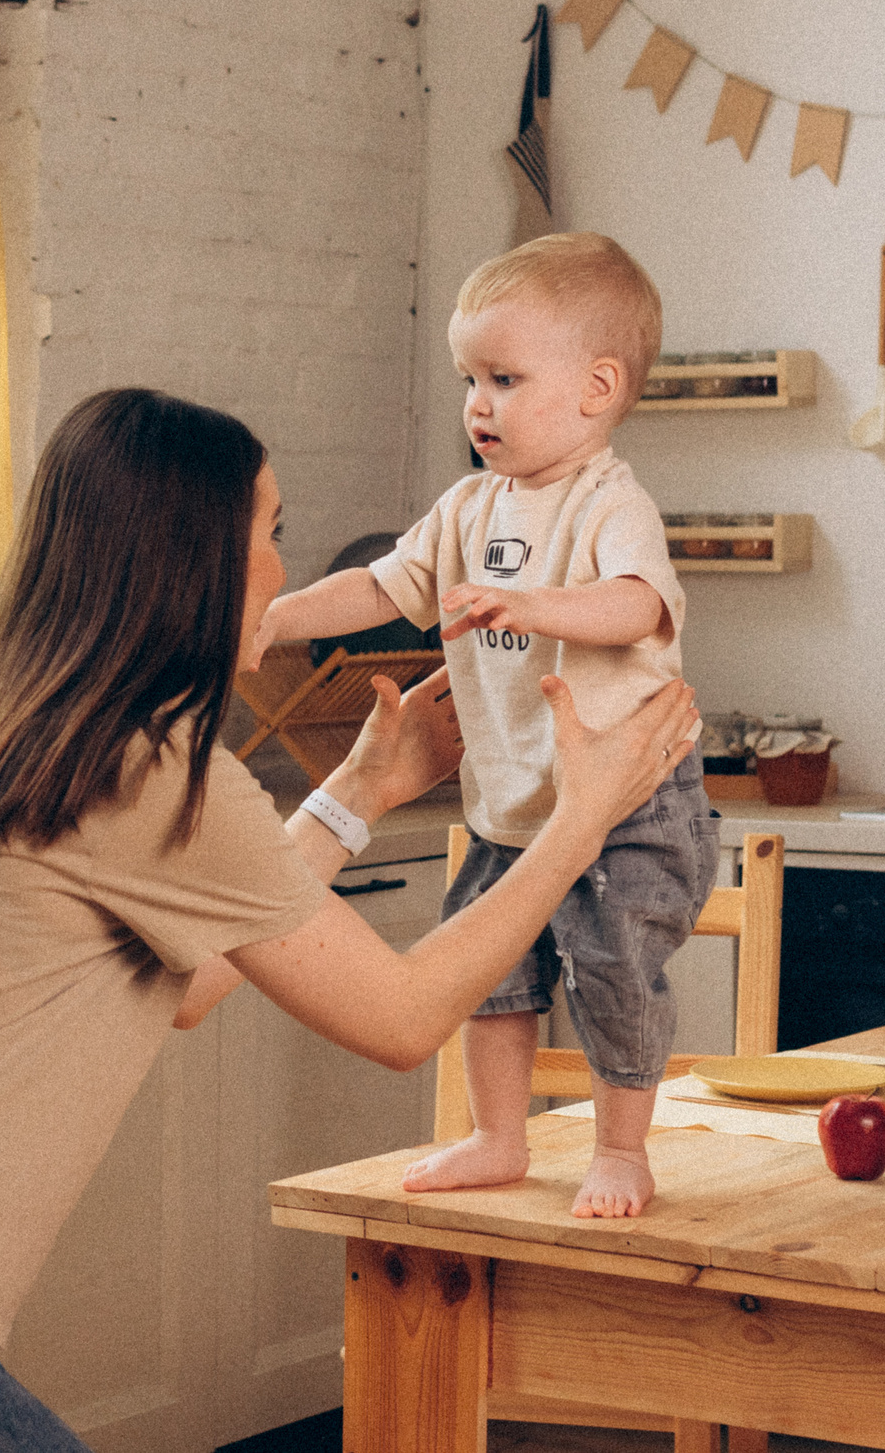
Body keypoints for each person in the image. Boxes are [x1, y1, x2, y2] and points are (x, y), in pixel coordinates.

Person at [0, 385, 695, 1453]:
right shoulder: (152, 768)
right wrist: (581, 818)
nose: (280, 565)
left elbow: (195, 982)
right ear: (198, 558)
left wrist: (355, 795)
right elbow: (404, 1018)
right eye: (270, 531)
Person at [255, 233, 716, 1221]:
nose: (477, 404)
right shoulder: (467, 505)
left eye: (503, 378)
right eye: (470, 378)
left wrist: (539, 606)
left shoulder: (608, 502)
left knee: (612, 970)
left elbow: (636, 605)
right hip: (510, 798)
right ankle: (498, 1137)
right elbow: (383, 586)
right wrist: (282, 615)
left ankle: (621, 1149)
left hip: (622, 798)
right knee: (490, 975)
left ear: (596, 389)